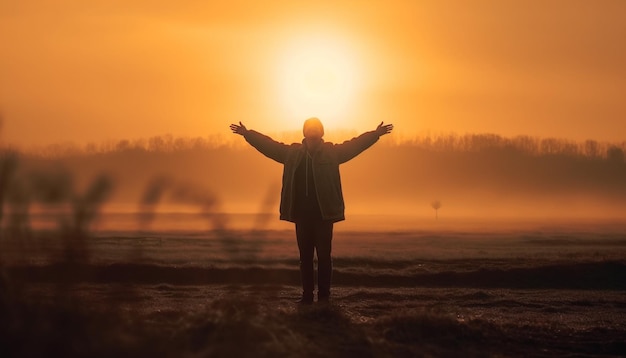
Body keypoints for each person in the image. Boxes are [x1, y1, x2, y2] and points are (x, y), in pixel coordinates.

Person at [230, 118, 393, 304]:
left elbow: (355, 145)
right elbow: (269, 146)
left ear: (321, 132)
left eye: (317, 127)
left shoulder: (332, 153)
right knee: (305, 258)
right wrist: (248, 134)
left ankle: (324, 296)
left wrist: (375, 134)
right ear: (304, 132)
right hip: (301, 214)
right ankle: (307, 295)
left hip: (324, 215)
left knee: (324, 257)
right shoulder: (291, 153)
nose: (313, 130)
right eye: (310, 127)